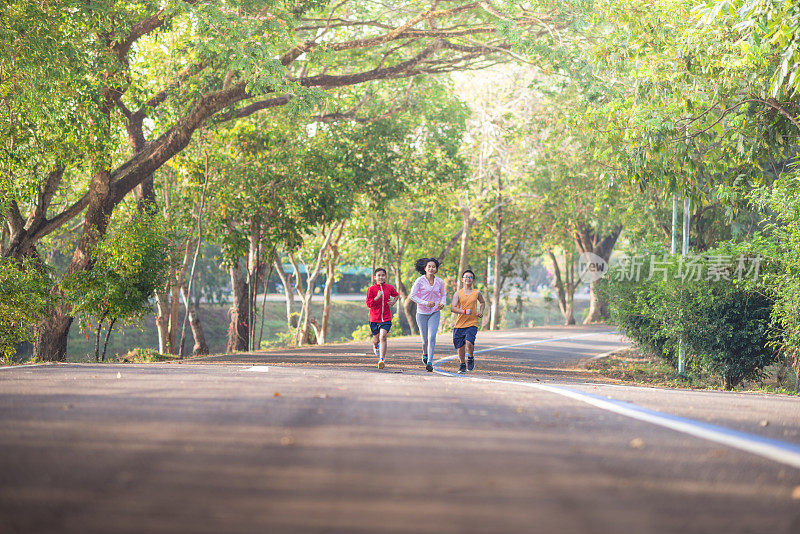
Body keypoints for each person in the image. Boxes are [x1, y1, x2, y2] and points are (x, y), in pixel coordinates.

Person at [409, 257, 446, 372]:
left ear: (436, 269)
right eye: (429, 266)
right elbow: (412, 296)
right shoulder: (419, 281)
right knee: (424, 340)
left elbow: (443, 295)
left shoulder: (439, 281)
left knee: (432, 337)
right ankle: (425, 353)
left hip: (435, 312)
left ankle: (430, 362)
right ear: (425, 268)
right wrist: (425, 303)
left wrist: (442, 303)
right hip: (421, 313)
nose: (431, 268)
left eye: (433, 267)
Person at [450, 269, 485, 374]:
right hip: (460, 324)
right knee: (460, 346)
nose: (468, 279)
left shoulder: (476, 292)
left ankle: (470, 358)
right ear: (462, 279)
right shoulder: (458, 293)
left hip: (472, 323)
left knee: (469, 343)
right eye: (466, 277)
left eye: (470, 277)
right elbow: (453, 308)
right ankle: (462, 364)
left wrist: (481, 311)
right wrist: (463, 311)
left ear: (473, 280)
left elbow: (482, 302)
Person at [365, 267, 399, 369]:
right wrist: (377, 298)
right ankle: (375, 346)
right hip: (374, 319)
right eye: (378, 275)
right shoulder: (371, 289)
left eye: (383, 275)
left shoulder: (389, 288)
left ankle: (382, 359)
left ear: (385, 277)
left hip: (386, 318)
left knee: (383, 337)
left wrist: (393, 301)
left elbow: (396, 295)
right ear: (375, 277)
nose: (381, 277)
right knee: (376, 340)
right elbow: (368, 304)